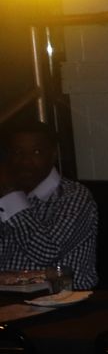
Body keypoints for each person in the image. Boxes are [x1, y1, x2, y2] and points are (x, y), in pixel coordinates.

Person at [0, 121, 98, 287]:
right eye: (18, 152)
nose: (25, 161)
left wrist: (11, 195)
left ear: (53, 154)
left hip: (62, 298)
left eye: (36, 152)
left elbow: (47, 252)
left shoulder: (73, 195)